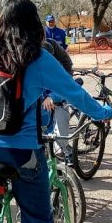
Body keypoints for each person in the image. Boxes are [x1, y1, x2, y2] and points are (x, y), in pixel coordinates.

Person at [0, 0, 112, 223]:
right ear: (35, 24)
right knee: (37, 219)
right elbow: (75, 94)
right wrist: (103, 112)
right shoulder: (37, 56)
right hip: (20, 153)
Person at [39, 37, 74, 165]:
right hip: (40, 103)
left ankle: (67, 152)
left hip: (57, 98)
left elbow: (67, 65)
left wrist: (54, 97)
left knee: (60, 130)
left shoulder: (54, 47)